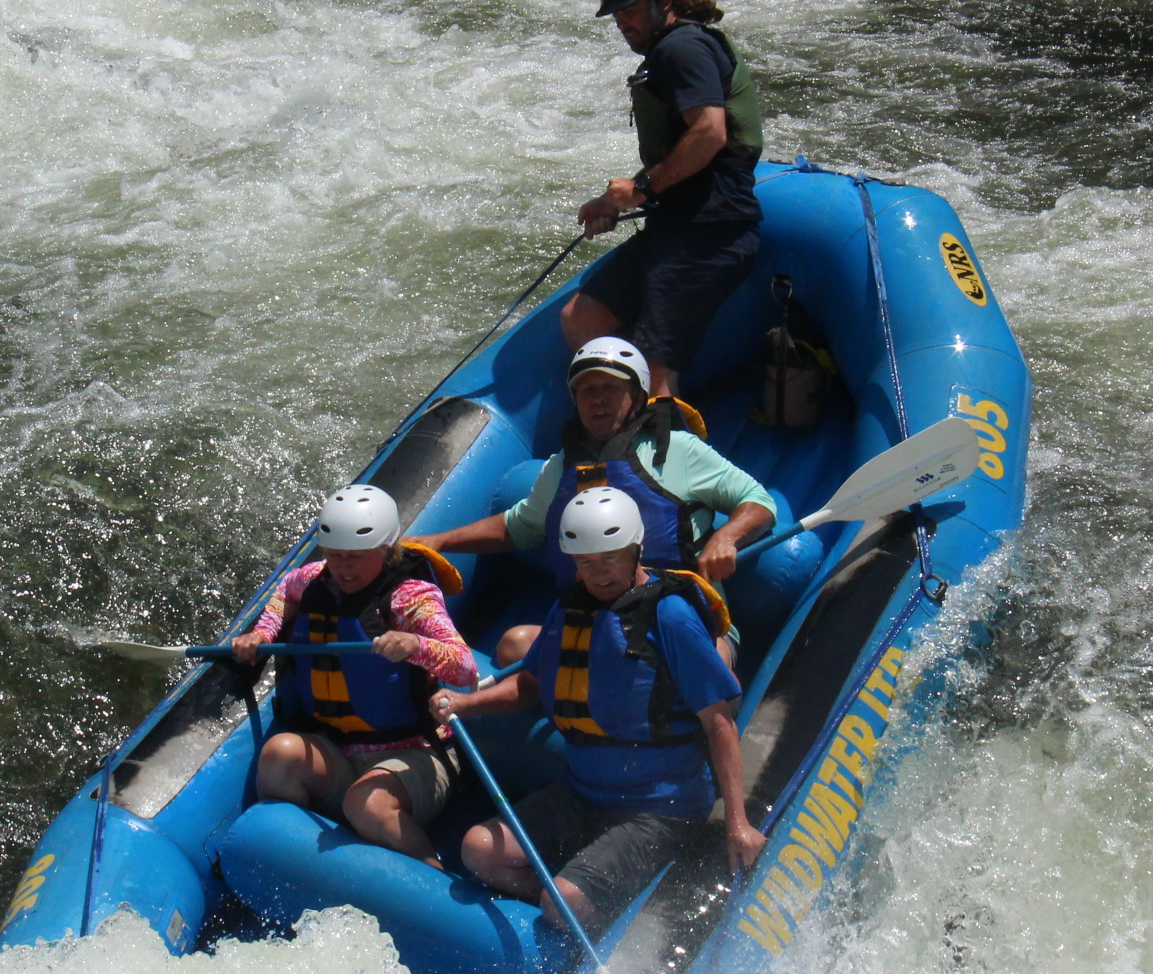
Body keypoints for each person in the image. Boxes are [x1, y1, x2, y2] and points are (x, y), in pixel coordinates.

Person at [429, 487, 765, 934]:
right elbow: (530, 684)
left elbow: (718, 721)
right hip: (581, 791)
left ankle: (578, 906)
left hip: (658, 806)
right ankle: (570, 903)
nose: (598, 573)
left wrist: (737, 822)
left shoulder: (671, 617)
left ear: (635, 550)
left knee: (561, 900)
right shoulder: (569, 610)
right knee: (478, 850)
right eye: (585, 562)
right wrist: (467, 704)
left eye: (609, 558)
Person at [408, 336, 773, 666]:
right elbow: (518, 527)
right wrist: (439, 540)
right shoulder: (561, 467)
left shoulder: (677, 450)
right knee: (514, 646)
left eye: (610, 388)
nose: (597, 399)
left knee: (713, 659)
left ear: (637, 396)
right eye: (586, 391)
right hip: (595, 622)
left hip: (679, 616)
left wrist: (727, 537)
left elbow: (756, 500)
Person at [231, 484, 478, 866]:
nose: (344, 567)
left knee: (367, 803)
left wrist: (416, 645)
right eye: (335, 555)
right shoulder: (313, 579)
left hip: (415, 755)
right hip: (341, 752)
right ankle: (288, 863)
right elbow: (284, 595)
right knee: (279, 755)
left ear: (384, 549)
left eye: (356, 557)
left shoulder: (410, 598)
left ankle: (431, 872)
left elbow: (465, 668)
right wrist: (262, 634)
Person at [565, 0, 767, 398]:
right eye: (617, 16)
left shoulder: (682, 47)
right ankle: (622, 425)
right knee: (583, 316)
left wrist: (639, 188)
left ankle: (660, 446)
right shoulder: (669, 51)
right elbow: (680, 154)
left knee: (657, 373)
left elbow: (710, 133)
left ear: (666, 1)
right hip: (678, 222)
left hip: (712, 231)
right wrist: (613, 203)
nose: (623, 24)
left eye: (631, 11)